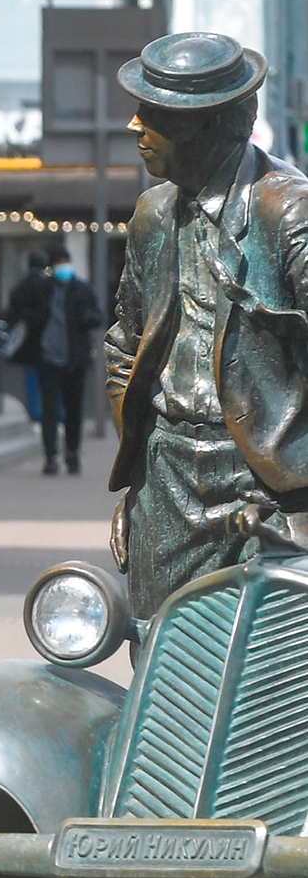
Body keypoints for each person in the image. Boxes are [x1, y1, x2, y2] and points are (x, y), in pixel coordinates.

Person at [105, 32, 308, 620]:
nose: (134, 126)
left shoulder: (287, 211)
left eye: (154, 114)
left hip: (267, 485)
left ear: (209, 125)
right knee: (159, 654)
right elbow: (125, 341)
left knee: (270, 669)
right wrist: (141, 481)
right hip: (168, 478)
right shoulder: (153, 213)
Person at [8, 241, 101, 475]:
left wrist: (86, 318)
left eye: (65, 263)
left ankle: (72, 453)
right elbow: (16, 302)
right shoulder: (43, 290)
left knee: (73, 410)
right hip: (48, 358)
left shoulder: (81, 289)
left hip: (75, 359)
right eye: (59, 263)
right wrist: (34, 319)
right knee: (49, 409)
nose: (63, 267)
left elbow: (97, 316)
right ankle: (51, 455)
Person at [3, 249, 50, 422]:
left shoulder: (20, 287)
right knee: (50, 384)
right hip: (47, 344)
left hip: (27, 344)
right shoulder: (50, 287)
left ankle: (35, 414)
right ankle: (53, 416)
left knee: (31, 381)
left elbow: (12, 315)